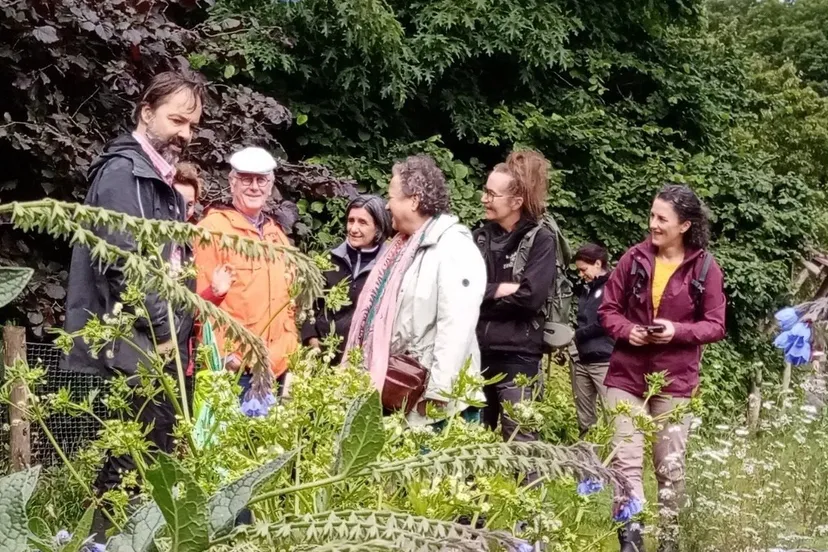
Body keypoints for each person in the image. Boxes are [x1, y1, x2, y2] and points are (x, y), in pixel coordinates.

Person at [62, 72, 205, 540]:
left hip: (156, 342)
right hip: (138, 342)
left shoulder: (158, 180)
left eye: (192, 125)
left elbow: (170, 265)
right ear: (146, 113)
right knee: (133, 458)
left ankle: (125, 542)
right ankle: (104, 544)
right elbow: (128, 266)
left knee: (148, 455)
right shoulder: (125, 174)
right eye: (177, 120)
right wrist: (165, 334)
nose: (184, 134)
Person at [598, 184, 726, 552]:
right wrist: (629, 331)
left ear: (684, 225)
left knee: (669, 467)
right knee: (625, 463)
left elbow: (716, 325)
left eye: (661, 218)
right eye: (652, 215)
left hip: (675, 381)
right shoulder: (632, 259)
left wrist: (676, 331)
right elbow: (607, 310)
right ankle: (631, 541)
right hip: (626, 376)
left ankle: (669, 541)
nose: (652, 224)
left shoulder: (704, 267)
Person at [345, 155, 486, 424]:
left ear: (414, 200)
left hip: (434, 403)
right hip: (404, 389)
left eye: (392, 197)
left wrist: (439, 392)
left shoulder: (453, 248)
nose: (386, 205)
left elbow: (456, 325)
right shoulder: (402, 249)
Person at [194, 147, 298, 398]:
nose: (254, 187)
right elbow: (200, 303)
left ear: (270, 185)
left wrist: (290, 350)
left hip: (276, 368)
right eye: (246, 179)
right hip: (235, 370)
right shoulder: (213, 230)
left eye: (261, 179)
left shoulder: (277, 236)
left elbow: (291, 303)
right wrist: (223, 356)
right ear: (232, 183)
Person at [473, 151, 557, 445]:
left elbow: (530, 298)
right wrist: (500, 289)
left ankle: (528, 491)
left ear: (516, 202)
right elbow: (463, 291)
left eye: (491, 194)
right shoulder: (479, 238)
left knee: (520, 441)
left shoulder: (541, 240)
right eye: (485, 191)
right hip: (476, 354)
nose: (484, 199)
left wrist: (484, 296)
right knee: (472, 443)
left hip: (518, 359)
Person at [301, 195, 392, 362]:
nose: (353, 229)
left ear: (379, 227)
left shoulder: (388, 266)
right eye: (351, 221)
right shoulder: (328, 260)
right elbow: (308, 305)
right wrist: (312, 340)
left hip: (363, 360)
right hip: (323, 356)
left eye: (362, 222)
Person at [571, 243, 615, 437]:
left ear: (598, 263)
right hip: (581, 360)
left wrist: (576, 335)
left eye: (583, 269)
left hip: (605, 361)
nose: (581, 274)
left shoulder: (612, 288)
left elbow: (606, 322)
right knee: (585, 419)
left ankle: (617, 462)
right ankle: (587, 462)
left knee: (612, 414)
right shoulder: (587, 289)